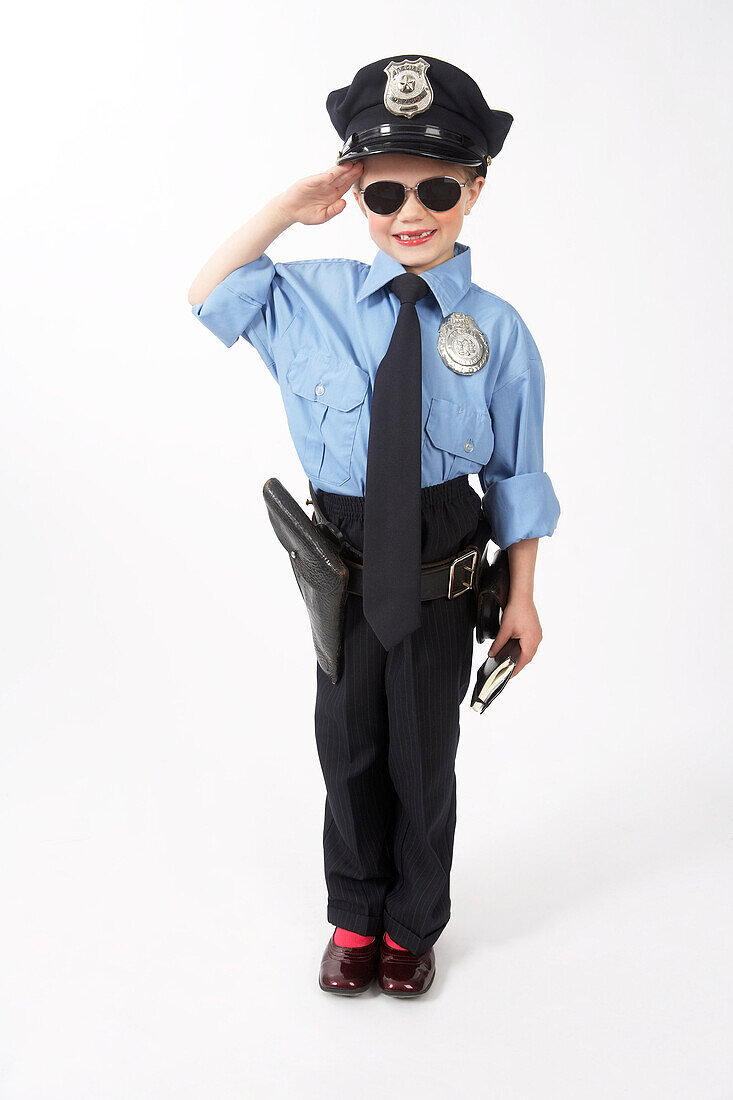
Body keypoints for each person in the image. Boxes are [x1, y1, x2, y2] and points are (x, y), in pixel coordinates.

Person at [188, 54, 560, 997]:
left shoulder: (500, 332)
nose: (410, 212)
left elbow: (516, 476)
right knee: (346, 751)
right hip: (345, 575)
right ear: (355, 191)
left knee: (423, 761)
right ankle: (354, 921)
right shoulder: (303, 298)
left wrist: (521, 600)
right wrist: (285, 206)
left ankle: (412, 927)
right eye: (383, 190)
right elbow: (204, 295)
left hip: (441, 579)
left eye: (438, 186)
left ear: (474, 190)